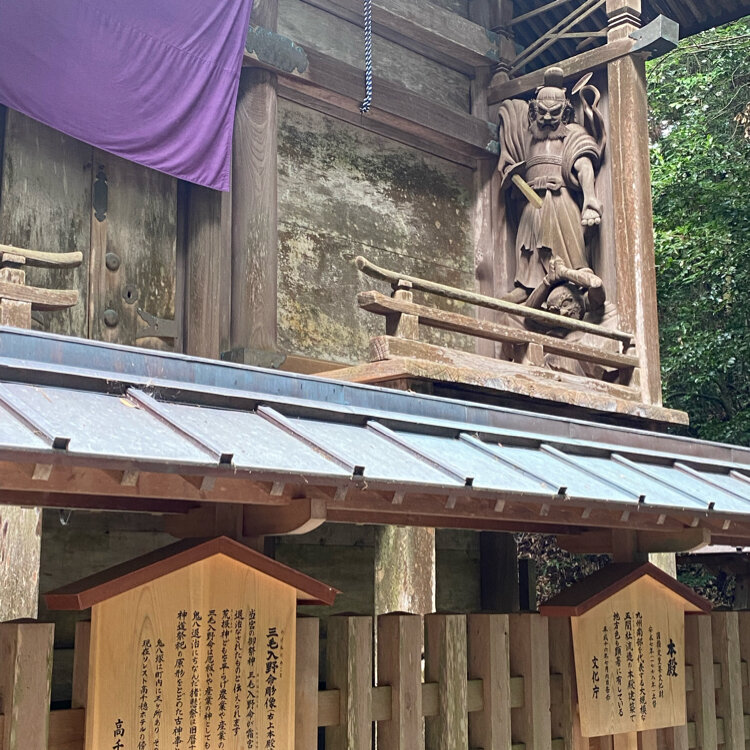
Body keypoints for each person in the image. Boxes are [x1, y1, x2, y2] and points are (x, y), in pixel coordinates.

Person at [497, 67, 606, 303]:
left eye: (554, 113)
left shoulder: (573, 133)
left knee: (568, 242)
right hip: (531, 199)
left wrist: (589, 199)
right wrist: (509, 165)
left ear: (565, 112)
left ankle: (577, 274)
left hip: (560, 198)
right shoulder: (528, 136)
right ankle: (526, 285)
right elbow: (511, 147)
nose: (547, 118)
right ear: (534, 111)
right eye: (542, 112)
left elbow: (584, 166)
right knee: (527, 246)